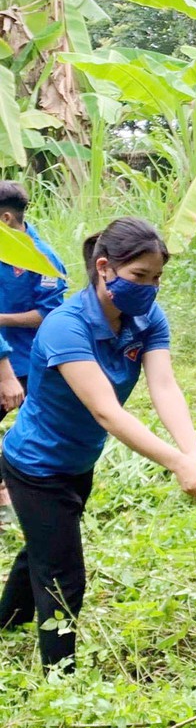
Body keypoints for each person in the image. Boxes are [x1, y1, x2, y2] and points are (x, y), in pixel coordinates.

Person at [0, 217, 196, 671]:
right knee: (63, 576)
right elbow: (107, 412)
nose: (150, 288)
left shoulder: (146, 318)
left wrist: (193, 455)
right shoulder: (65, 327)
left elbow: (165, 387)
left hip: (80, 460)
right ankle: (61, 680)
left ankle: (6, 620)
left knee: (43, 547)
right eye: (140, 276)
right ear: (104, 268)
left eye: (157, 278)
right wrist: (176, 462)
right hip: (36, 467)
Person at [0, 181, 69, 512]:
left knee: (33, 432)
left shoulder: (42, 259)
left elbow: (48, 315)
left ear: (7, 219)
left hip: (27, 363)